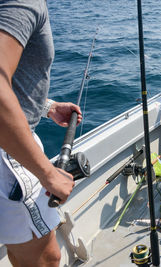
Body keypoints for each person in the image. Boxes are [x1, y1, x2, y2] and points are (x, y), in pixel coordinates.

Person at [0, 1, 81, 266]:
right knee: (45, 258)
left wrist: (46, 106)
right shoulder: (24, 2)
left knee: (21, 249)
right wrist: (47, 174)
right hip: (9, 153)